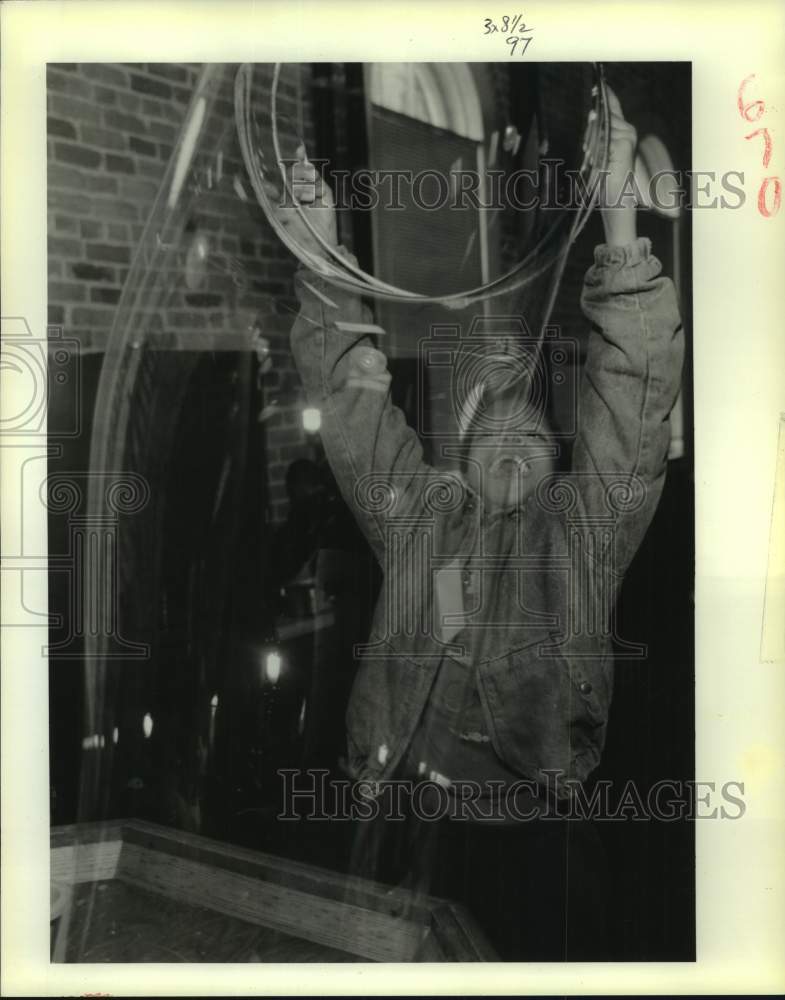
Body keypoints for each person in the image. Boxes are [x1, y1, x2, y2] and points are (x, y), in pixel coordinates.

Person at [273, 86, 685, 959]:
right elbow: (349, 407)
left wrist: (616, 212)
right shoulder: (420, 516)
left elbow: (636, 389)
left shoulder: (583, 531)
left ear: (556, 451)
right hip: (397, 833)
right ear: (452, 457)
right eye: (483, 422)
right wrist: (317, 249)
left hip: (529, 846)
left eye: (525, 419)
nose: (505, 428)